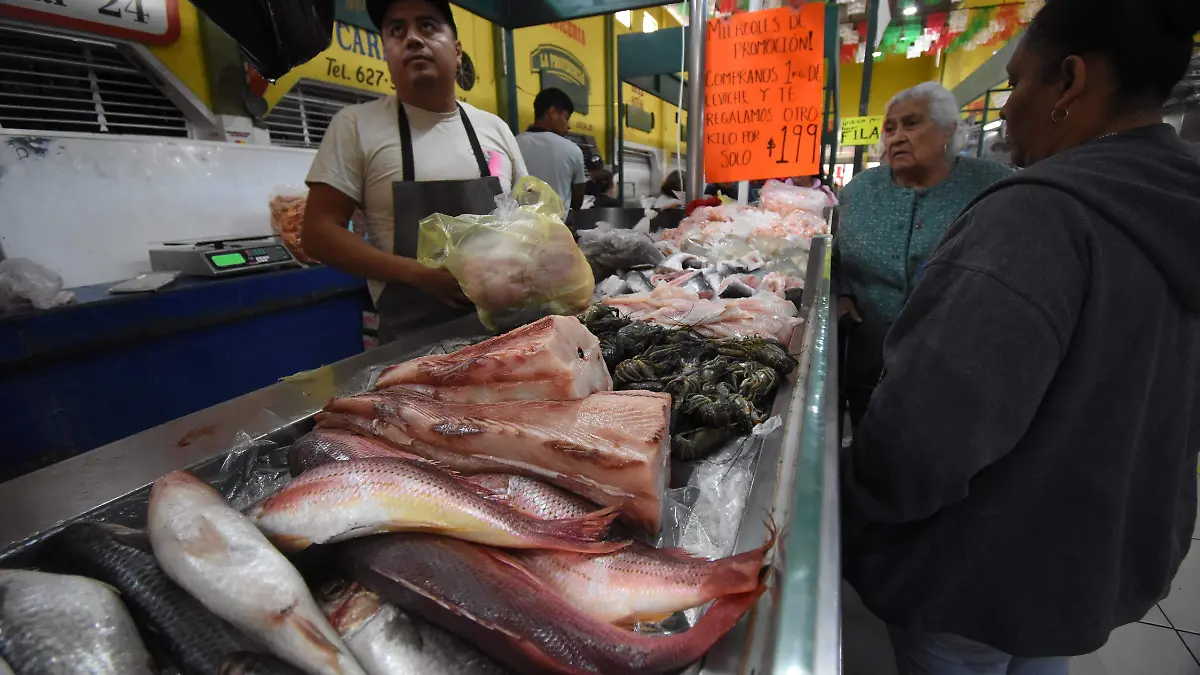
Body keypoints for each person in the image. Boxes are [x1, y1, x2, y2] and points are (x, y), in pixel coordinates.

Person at [841, 1, 1200, 674]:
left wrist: (835, 501)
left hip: (982, 566)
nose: (1007, 110)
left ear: (1069, 80)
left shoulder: (1035, 215)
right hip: (1092, 556)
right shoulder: (1176, 203)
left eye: (1017, 82)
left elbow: (926, 436)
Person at [301, 0, 527, 343]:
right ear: (386, 53)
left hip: (508, 335)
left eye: (427, 26)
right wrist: (417, 274)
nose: (412, 38)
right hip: (411, 345)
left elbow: (528, 217)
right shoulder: (355, 126)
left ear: (457, 50)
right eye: (396, 30)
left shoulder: (494, 128)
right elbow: (318, 233)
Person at [833, 82, 1011, 425]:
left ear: (948, 130)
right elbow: (837, 257)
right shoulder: (860, 190)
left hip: (960, 373)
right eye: (890, 128)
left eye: (911, 124)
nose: (897, 137)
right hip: (869, 364)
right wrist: (840, 293)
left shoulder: (993, 187)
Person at [516, 88, 586, 214]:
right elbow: (577, 203)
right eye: (566, 118)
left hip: (518, 224)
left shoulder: (514, 144)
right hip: (557, 225)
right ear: (552, 113)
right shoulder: (572, 150)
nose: (568, 125)